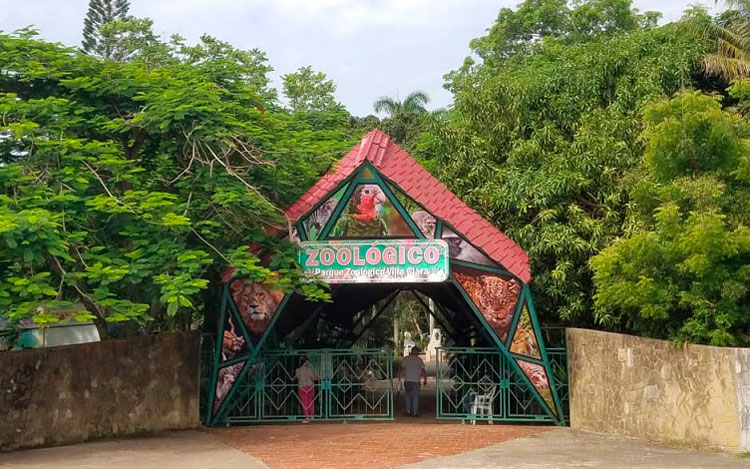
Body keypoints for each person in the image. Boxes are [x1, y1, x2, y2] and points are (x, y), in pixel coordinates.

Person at [398, 346, 427, 417]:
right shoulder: (419, 360)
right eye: (418, 352)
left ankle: (408, 410)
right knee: (415, 397)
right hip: (416, 381)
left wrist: (399, 378)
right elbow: (423, 370)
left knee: (407, 396)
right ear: (416, 352)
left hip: (408, 380)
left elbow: (402, 369)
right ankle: (414, 412)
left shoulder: (406, 359)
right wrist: (425, 379)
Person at [295, 356, 319, 423]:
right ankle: (311, 416)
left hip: (302, 387)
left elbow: (297, 377)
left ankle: (307, 416)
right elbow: (314, 378)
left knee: (304, 402)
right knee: (310, 401)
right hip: (310, 387)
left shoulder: (297, 370)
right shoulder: (309, 369)